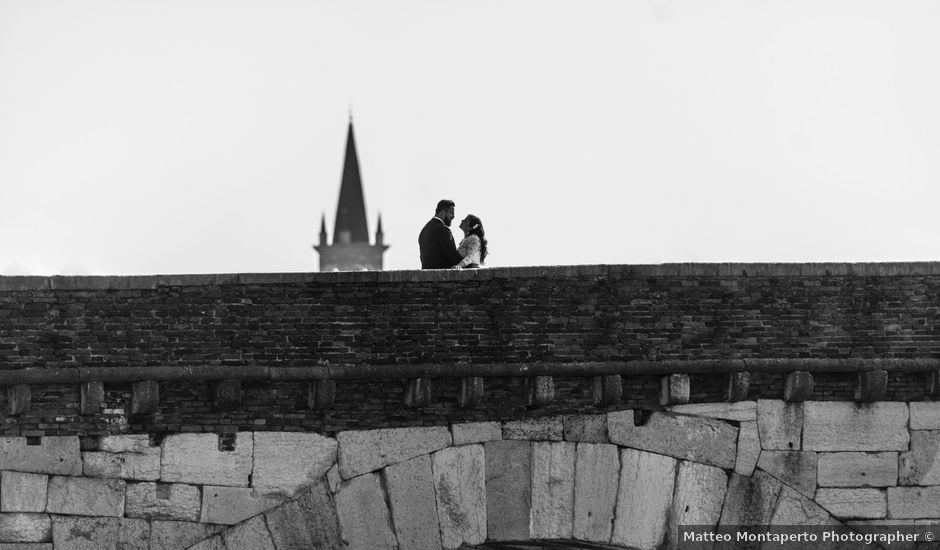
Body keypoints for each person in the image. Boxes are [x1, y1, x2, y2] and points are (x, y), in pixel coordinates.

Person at [418, 199, 463, 269]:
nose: (453, 217)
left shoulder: (423, 231)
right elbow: (452, 255)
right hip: (442, 276)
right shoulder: (443, 230)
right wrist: (467, 263)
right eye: (451, 213)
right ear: (443, 212)